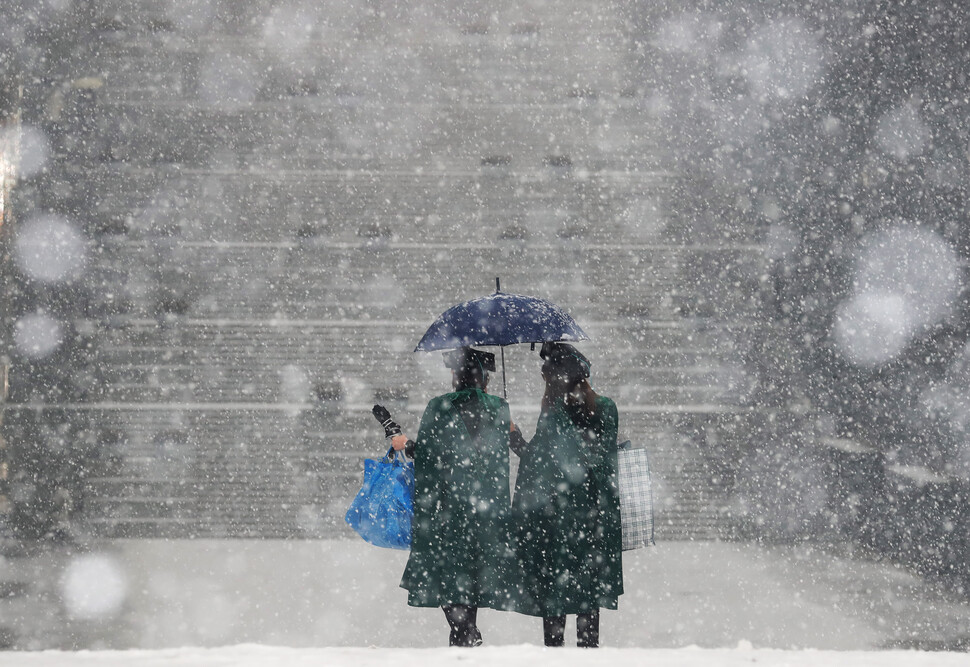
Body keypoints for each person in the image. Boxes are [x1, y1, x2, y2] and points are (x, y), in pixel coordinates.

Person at [373, 346, 515, 647]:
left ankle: (467, 636)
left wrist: (402, 442)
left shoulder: (440, 407)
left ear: (458, 375)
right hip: (486, 514)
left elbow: (430, 457)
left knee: (451, 581)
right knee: (470, 580)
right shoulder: (500, 408)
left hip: (449, 511)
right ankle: (465, 639)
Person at [509, 341, 622, 648]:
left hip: (559, 517)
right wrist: (518, 439)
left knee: (556, 593)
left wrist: (522, 441)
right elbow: (598, 461)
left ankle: (557, 655)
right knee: (586, 594)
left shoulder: (556, 414)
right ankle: (586, 653)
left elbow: (543, 461)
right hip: (589, 517)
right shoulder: (605, 408)